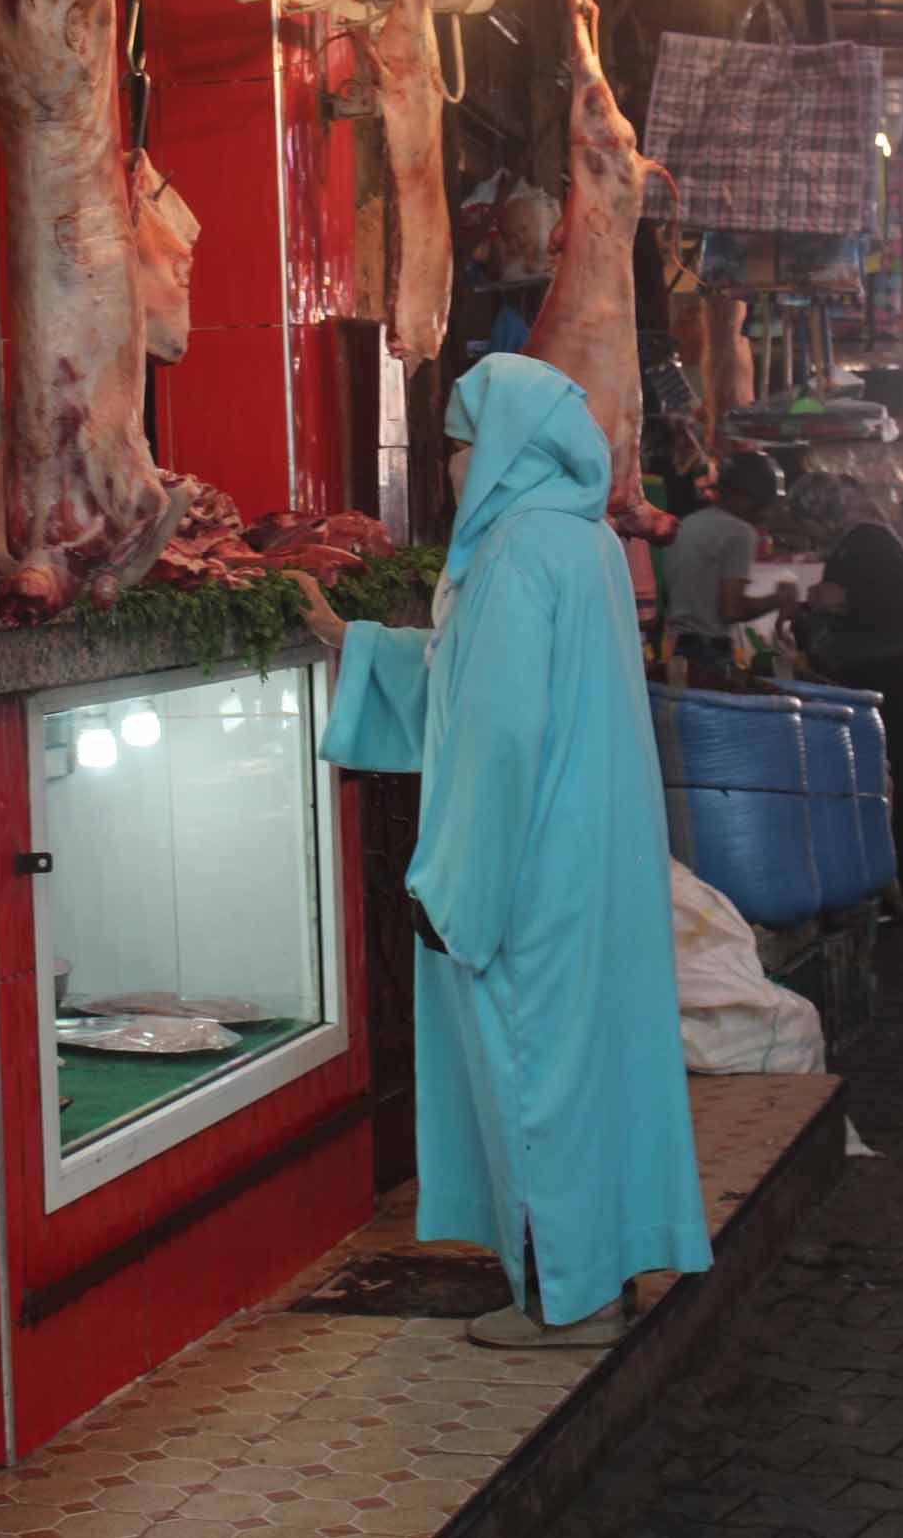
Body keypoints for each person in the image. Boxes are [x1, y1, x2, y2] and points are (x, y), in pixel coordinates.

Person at [289, 353, 712, 1350]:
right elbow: (474, 682)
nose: (450, 467)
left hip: (524, 871)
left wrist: (456, 883)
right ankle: (599, 1277)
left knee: (534, 1079)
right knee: (585, 1075)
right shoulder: (585, 543)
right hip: (584, 867)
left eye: (461, 445)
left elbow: (501, 730)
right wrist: (357, 643)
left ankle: (568, 1301)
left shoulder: (517, 552)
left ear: (508, 449)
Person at [784, 472, 903, 916]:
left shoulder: (866, 542)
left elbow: (884, 609)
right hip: (896, 681)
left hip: (894, 685)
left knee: (895, 781)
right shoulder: (865, 540)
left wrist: (833, 602)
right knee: (898, 782)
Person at [663, 450, 798, 670]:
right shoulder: (739, 532)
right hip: (710, 654)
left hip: (676, 651)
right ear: (747, 499)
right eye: (765, 504)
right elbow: (731, 610)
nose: (765, 513)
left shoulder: (686, 524)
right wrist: (779, 600)